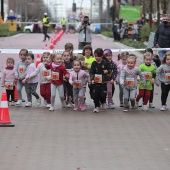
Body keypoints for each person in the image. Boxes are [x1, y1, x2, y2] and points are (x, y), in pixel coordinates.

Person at [90, 48, 112, 113]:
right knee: (95, 94)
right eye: (95, 56)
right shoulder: (93, 63)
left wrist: (107, 71)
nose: (97, 58)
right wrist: (92, 79)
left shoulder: (105, 63)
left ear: (102, 55)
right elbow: (91, 72)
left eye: (98, 56)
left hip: (103, 82)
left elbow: (110, 71)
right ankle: (96, 106)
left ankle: (103, 101)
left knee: (103, 94)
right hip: (96, 82)